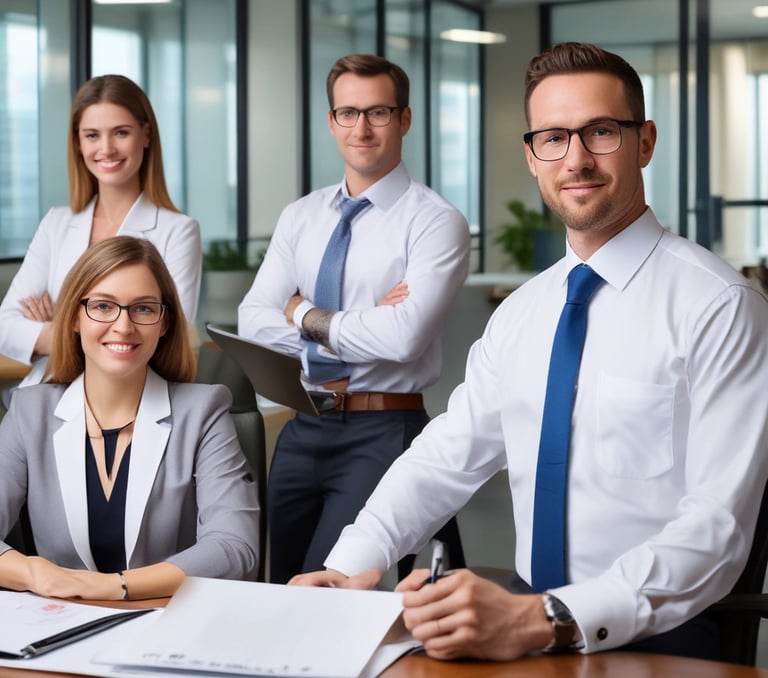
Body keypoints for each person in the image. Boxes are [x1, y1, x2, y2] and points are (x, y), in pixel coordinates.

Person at [291, 42, 768, 662]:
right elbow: (445, 455)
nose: (576, 159)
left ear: (644, 142)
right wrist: (353, 563)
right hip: (522, 615)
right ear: (532, 155)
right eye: (553, 138)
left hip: (654, 636)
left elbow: (717, 531)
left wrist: (543, 620)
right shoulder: (522, 313)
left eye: (601, 132)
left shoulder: (721, 306)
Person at [238, 54, 470, 584]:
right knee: (279, 588)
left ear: (405, 120)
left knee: (327, 589)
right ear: (331, 121)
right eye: (347, 112)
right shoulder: (300, 216)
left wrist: (300, 312)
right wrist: (361, 326)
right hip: (302, 426)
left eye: (378, 112)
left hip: (384, 428)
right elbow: (253, 321)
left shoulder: (435, 222)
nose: (361, 127)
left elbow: (405, 338)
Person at [0, 236, 259, 600]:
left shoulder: (202, 412)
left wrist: (114, 586)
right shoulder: (30, 413)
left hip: (167, 626)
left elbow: (235, 548)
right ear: (74, 317)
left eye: (142, 309)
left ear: (164, 323)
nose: (123, 326)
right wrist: (33, 572)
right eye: (103, 306)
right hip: (58, 628)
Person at [0, 74, 202, 401]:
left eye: (121, 132)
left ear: (146, 135)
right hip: (42, 396)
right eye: (92, 135)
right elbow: (5, 326)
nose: (106, 149)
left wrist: (56, 328)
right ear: (78, 144)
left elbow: (166, 340)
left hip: (126, 405)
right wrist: (105, 335)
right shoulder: (57, 222)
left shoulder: (178, 230)